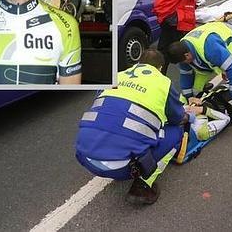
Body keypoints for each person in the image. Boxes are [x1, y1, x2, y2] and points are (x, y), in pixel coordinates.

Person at [75, 49, 197, 205]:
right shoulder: (163, 83)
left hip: (84, 157)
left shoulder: (116, 76)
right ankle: (143, 185)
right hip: (122, 168)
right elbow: (177, 118)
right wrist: (190, 116)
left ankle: (116, 157)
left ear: (138, 62)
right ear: (160, 68)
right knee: (176, 131)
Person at [167, 22, 232, 136]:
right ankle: (181, 108)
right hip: (208, 54)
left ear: (187, 55)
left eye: (184, 62)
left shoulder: (210, 47)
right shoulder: (182, 50)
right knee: (194, 88)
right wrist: (190, 97)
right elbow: (186, 75)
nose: (183, 64)